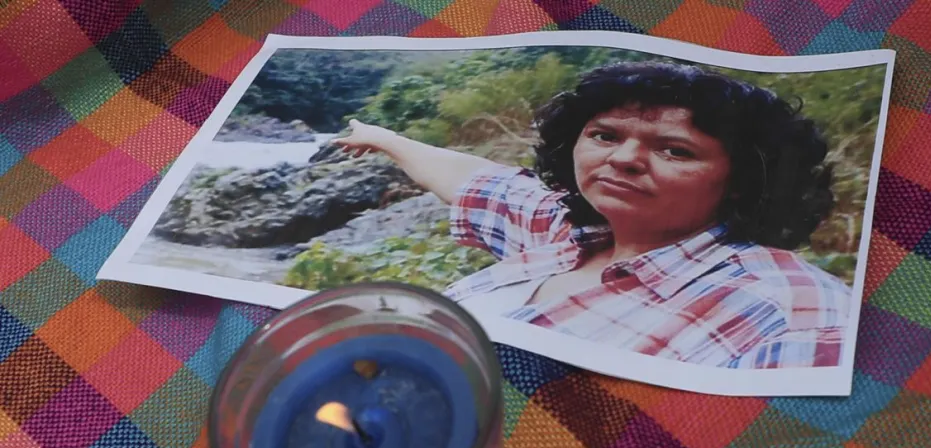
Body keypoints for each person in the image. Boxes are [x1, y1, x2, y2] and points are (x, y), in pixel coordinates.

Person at [335, 61, 852, 369]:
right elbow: (476, 180)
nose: (624, 159)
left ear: (743, 179)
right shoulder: (564, 234)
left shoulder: (793, 310)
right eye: (605, 135)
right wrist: (383, 138)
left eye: (675, 150)